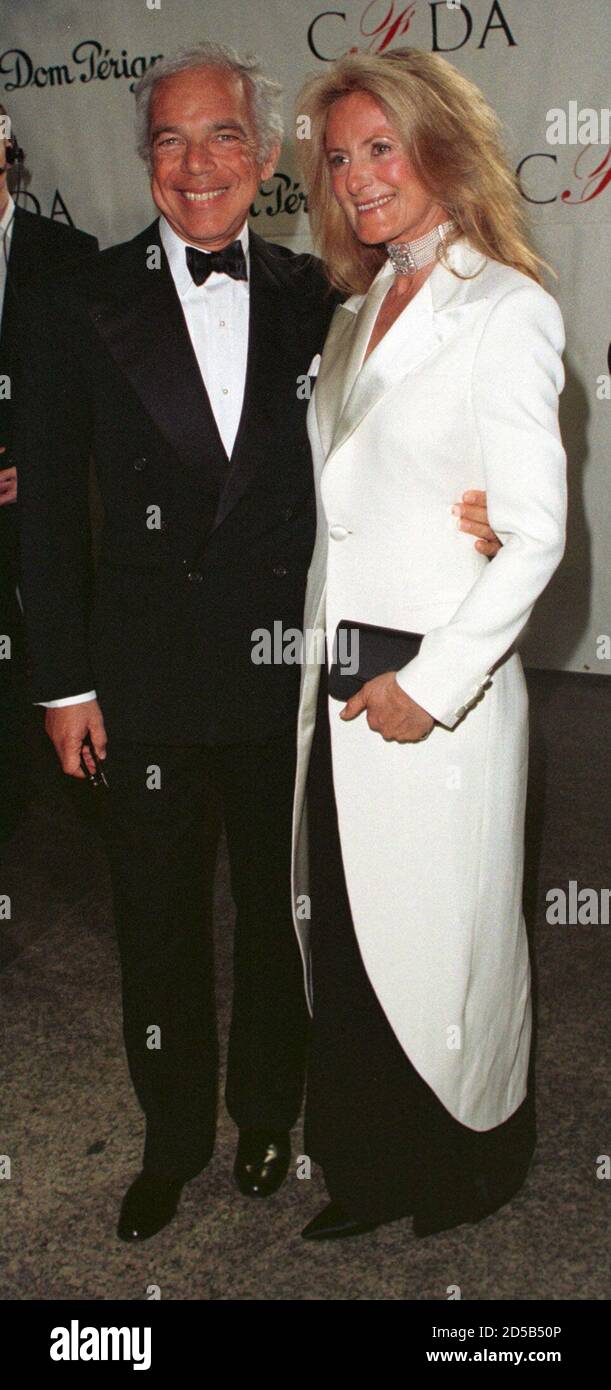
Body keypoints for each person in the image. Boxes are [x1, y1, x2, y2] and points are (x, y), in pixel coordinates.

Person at [16, 42, 498, 1243]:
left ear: (265, 152)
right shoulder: (80, 299)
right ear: (144, 157)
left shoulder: (316, 297)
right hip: (142, 680)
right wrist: (62, 681)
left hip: (288, 681)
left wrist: (486, 510)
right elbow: (47, 520)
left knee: (283, 920)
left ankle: (267, 1115)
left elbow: (395, 450)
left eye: (222, 135)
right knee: (159, 922)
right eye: (170, 139)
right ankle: (172, 1136)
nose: (196, 163)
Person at [291, 48, 567, 1241]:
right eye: (340, 156)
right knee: (351, 931)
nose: (356, 176)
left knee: (445, 939)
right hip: (337, 668)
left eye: (379, 148)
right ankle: (365, 1166)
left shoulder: (504, 307)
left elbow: (537, 535)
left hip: (433, 678)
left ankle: (465, 1166)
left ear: (439, 149)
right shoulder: (355, 311)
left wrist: (434, 681)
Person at [0, 102, 97, 843]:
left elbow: (93, 395)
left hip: (43, 502)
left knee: (59, 653)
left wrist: (41, 470)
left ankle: (91, 809)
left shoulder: (69, 254)